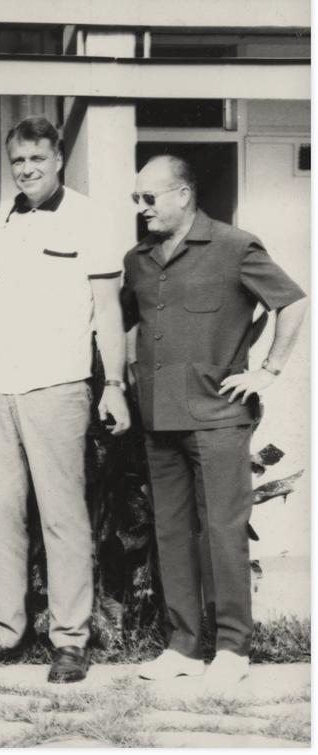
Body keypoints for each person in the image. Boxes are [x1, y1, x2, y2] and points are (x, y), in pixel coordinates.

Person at [123, 155, 306, 685]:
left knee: (223, 531)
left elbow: (291, 303)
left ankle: (233, 648)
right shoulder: (139, 259)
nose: (141, 210)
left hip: (219, 416)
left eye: (149, 199)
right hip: (159, 417)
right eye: (136, 200)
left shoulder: (234, 246)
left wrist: (269, 369)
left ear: (182, 194)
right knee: (172, 532)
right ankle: (182, 647)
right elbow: (121, 322)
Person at [0, 116, 130, 684]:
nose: (27, 169)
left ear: (58, 158)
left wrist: (113, 385)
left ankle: (69, 640)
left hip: (57, 383)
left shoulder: (89, 217)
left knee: (62, 515)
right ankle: (8, 632)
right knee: (2, 513)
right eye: (18, 161)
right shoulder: (8, 217)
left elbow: (108, 309)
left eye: (37, 158)